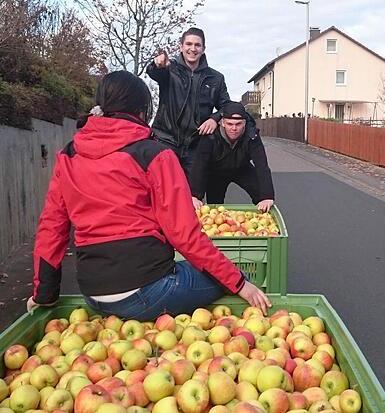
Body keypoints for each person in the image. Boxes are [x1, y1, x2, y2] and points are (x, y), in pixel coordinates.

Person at [26, 71, 271, 320]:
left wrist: (43, 294)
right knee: (237, 277)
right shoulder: (154, 154)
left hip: (94, 294)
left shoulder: (68, 155)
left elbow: (52, 228)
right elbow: (184, 235)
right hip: (148, 290)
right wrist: (240, 283)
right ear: (142, 112)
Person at [146, 27, 231, 174]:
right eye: (189, 44)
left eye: (197, 45)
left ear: (203, 49)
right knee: (162, 191)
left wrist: (214, 119)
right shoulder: (169, 69)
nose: (193, 49)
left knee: (192, 194)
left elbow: (227, 106)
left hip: (196, 146)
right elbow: (154, 72)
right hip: (165, 141)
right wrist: (157, 65)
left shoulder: (216, 78)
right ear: (181, 46)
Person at [189, 102, 275, 212]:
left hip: (242, 169)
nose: (234, 128)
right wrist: (194, 195)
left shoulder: (252, 136)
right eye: (230, 124)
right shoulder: (210, 137)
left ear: (244, 123)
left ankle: (265, 221)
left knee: (262, 197)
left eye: (238, 124)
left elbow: (262, 165)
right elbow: (200, 164)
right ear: (222, 123)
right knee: (215, 207)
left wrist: (267, 196)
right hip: (216, 173)